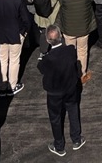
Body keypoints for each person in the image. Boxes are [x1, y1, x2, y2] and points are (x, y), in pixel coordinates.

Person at [38, 25, 85, 156]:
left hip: (54, 93)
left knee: (55, 118)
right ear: (61, 37)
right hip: (70, 88)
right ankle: (76, 139)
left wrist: (42, 54)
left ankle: (59, 146)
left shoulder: (47, 59)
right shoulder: (70, 50)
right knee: (73, 111)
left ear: (48, 41)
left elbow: (41, 68)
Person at [57, 0, 96, 82]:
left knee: (70, 52)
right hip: (83, 27)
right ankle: (82, 73)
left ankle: (71, 73)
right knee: (83, 51)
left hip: (68, 28)